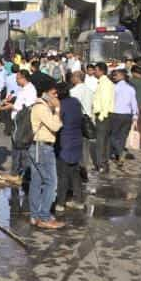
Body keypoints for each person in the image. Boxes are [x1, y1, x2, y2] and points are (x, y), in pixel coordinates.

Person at [29, 83, 65, 229]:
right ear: (46, 93)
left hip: (38, 147)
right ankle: (43, 217)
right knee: (51, 182)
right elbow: (55, 126)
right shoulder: (41, 108)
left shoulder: (39, 106)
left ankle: (35, 215)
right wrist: (57, 109)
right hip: (42, 148)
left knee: (36, 182)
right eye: (54, 93)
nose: (56, 96)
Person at [0, 69, 38, 177]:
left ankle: (25, 172)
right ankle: (16, 171)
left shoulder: (30, 90)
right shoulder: (22, 89)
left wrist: (11, 106)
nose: (16, 81)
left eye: (17, 78)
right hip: (17, 119)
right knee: (16, 146)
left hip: (23, 121)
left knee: (22, 146)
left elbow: (27, 107)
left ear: (23, 78)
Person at [55, 83, 85, 212]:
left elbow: (56, 123)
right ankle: (79, 200)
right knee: (74, 172)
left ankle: (60, 203)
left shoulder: (61, 105)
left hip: (64, 141)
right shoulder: (76, 102)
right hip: (77, 139)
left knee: (63, 174)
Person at [109, 69, 139, 165]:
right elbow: (134, 103)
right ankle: (120, 155)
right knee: (123, 136)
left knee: (112, 136)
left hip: (116, 114)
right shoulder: (131, 88)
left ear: (122, 76)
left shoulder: (114, 88)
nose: (114, 77)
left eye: (116, 75)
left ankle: (119, 153)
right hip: (127, 115)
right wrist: (135, 115)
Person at [92, 62, 115, 174]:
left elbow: (105, 101)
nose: (94, 72)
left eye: (96, 70)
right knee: (105, 141)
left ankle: (101, 165)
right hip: (105, 115)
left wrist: (101, 116)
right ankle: (103, 164)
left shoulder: (105, 84)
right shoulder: (103, 83)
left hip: (103, 115)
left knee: (101, 142)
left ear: (101, 71)